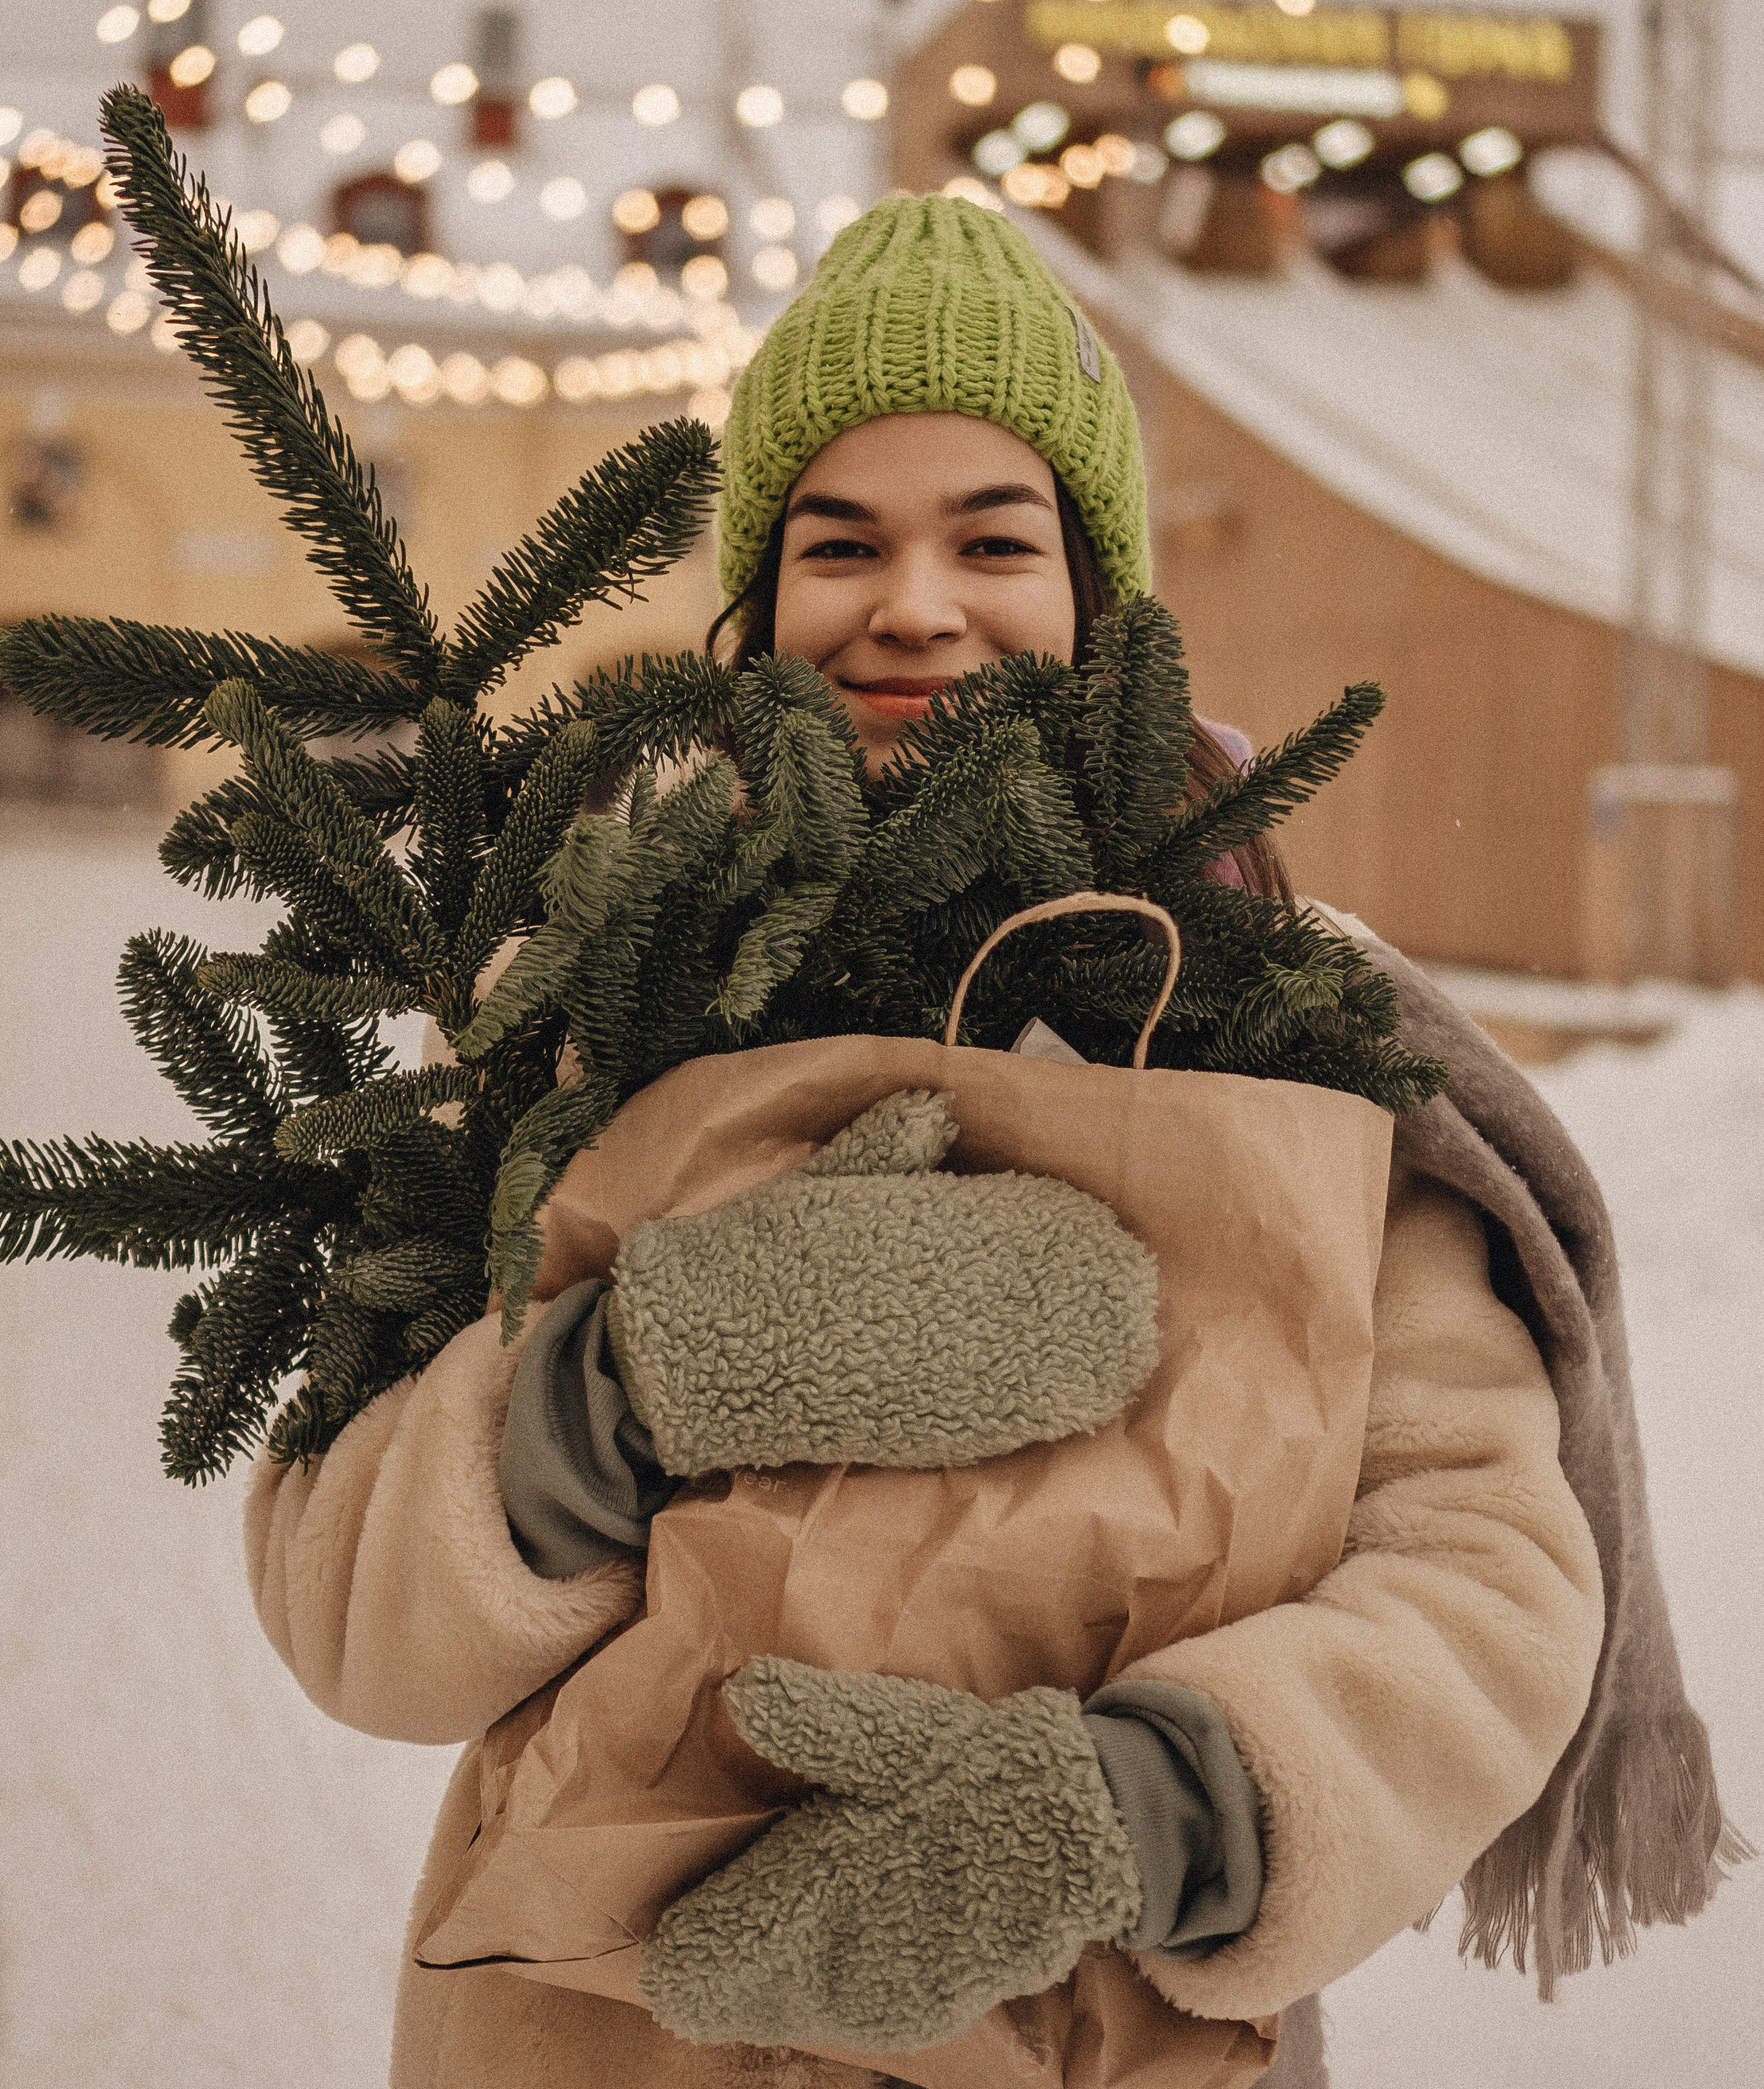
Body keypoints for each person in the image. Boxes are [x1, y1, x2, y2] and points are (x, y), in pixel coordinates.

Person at [247, 194, 1733, 2089]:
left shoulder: (1279, 1015)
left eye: (993, 537)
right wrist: (612, 1391)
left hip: (1113, 2033)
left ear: (1096, 591)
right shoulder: (597, 984)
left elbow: (1490, 1571)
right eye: (840, 543)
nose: (914, 603)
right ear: (759, 599)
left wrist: (1143, 1808)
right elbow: (337, 1599)